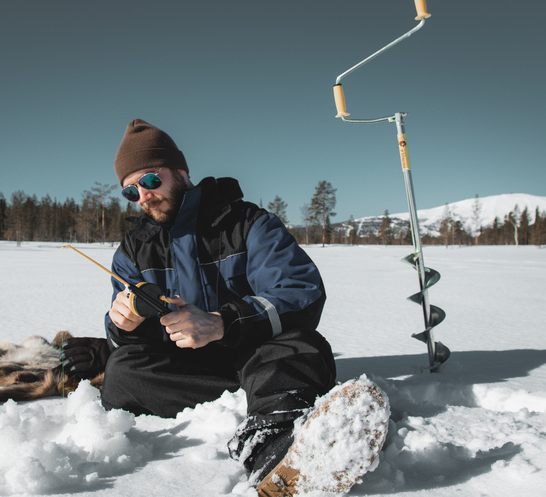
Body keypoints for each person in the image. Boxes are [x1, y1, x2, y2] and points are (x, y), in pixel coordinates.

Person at [63, 119, 388, 495]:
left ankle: (277, 446)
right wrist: (125, 323)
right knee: (123, 370)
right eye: (130, 192)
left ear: (181, 172)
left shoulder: (247, 223)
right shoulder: (134, 249)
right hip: (193, 373)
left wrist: (222, 322)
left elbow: (301, 291)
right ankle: (273, 404)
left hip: (256, 356)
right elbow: (130, 345)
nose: (144, 196)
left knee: (301, 347)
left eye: (151, 180)